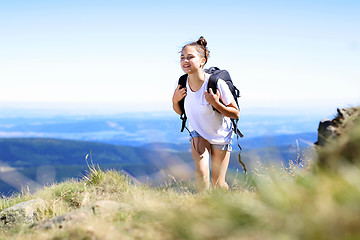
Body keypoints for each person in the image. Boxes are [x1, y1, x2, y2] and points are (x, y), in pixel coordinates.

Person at [172, 36, 240, 191]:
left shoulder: (216, 84)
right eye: (182, 57)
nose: (185, 61)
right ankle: (202, 208)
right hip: (198, 133)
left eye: (190, 57)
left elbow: (235, 113)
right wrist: (175, 101)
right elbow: (180, 112)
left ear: (202, 61)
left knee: (218, 183)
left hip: (220, 135)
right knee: (202, 172)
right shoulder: (182, 83)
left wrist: (215, 103)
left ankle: (226, 208)